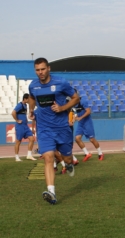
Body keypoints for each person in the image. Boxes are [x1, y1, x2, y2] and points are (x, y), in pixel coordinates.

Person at [28, 57, 80, 205]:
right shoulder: (33, 85)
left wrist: (62, 108)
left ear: (49, 68)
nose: (40, 72)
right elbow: (32, 97)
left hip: (62, 127)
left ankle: (69, 164)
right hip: (44, 128)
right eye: (37, 70)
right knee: (48, 157)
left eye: (43, 69)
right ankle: (51, 192)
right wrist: (31, 110)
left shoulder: (61, 82)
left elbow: (76, 98)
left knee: (67, 157)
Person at [72, 89, 104, 162]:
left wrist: (80, 117)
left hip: (87, 122)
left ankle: (100, 153)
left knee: (92, 139)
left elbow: (88, 111)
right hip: (81, 123)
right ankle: (87, 153)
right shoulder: (73, 103)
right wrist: (74, 119)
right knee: (77, 138)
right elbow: (75, 113)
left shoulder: (83, 101)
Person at [11, 93, 36, 161]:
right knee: (18, 141)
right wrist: (17, 120)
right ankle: (16, 157)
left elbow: (23, 114)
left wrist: (26, 119)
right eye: (29, 99)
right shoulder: (20, 105)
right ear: (25, 99)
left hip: (25, 126)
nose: (30, 100)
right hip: (20, 126)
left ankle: (29, 155)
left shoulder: (25, 105)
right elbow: (13, 112)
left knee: (32, 139)